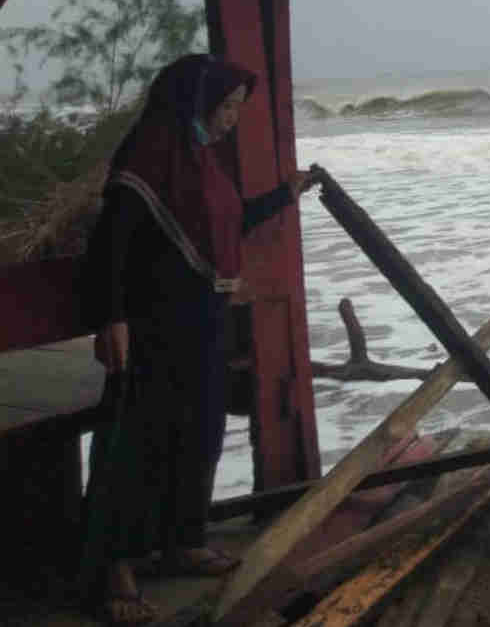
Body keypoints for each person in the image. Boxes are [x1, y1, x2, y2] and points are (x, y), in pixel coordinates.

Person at [76, 54, 318, 625]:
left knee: (198, 433)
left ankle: (181, 542)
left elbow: (225, 228)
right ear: (195, 99)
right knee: (135, 445)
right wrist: (110, 319)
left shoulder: (200, 161)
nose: (232, 119)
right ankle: (115, 569)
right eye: (228, 106)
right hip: (152, 326)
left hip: (202, 323)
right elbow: (111, 244)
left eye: (237, 109)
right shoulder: (149, 154)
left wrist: (285, 193)